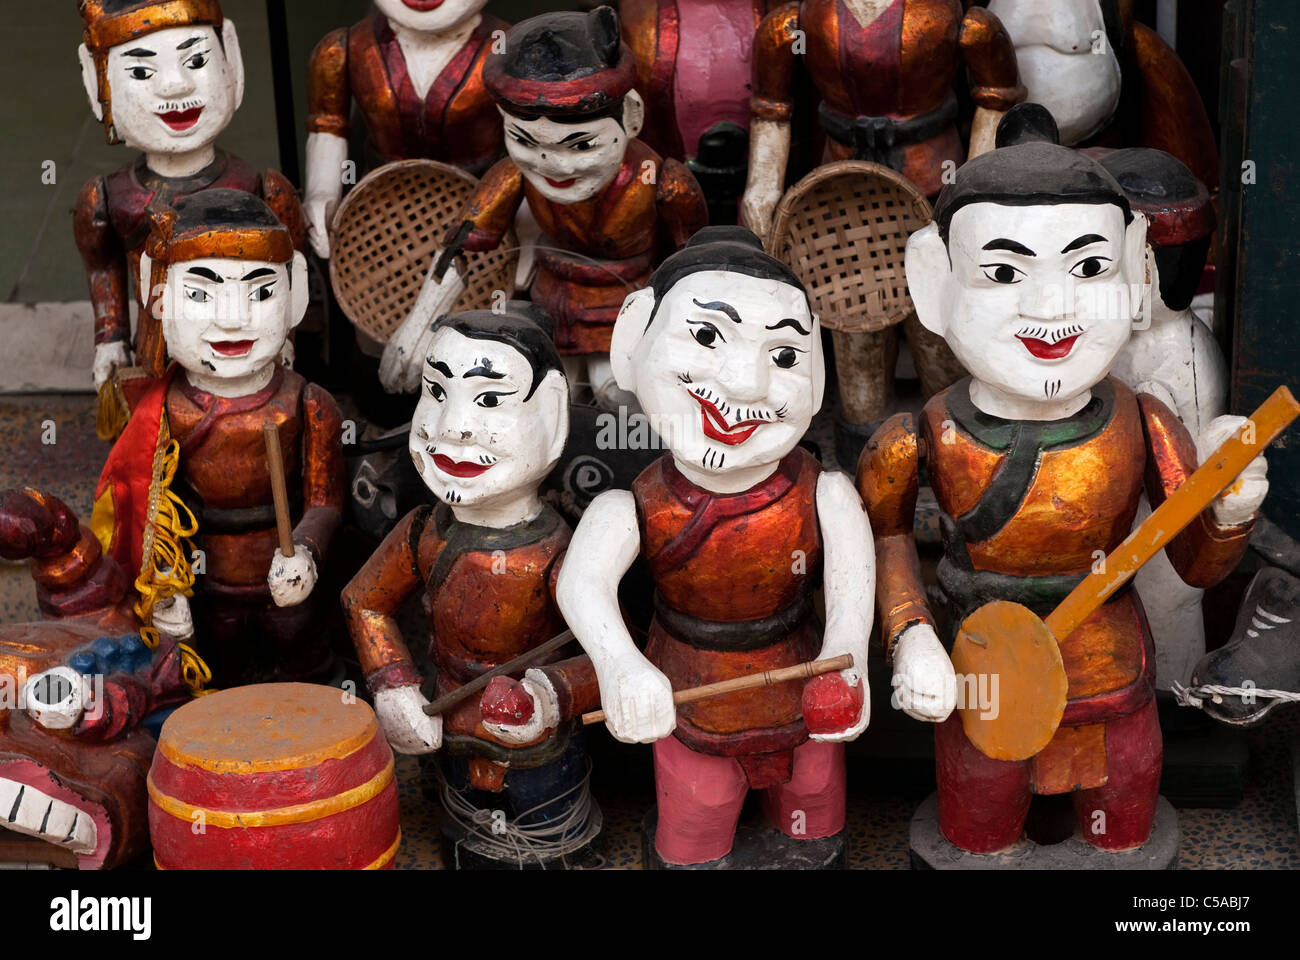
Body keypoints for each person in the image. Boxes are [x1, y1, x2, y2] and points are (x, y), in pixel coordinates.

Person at [860, 105, 1266, 853]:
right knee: (980, 827)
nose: (1051, 309)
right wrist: (911, 636)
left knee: (1124, 823)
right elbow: (885, 540)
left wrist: (1230, 510)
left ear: (1138, 269)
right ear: (933, 281)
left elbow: (1191, 560)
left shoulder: (1142, 421)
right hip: (982, 657)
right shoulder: (920, 435)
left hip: (1109, 658)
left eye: (1088, 268)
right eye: (1004, 272)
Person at [91, 190, 344, 689]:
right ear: (158, 297)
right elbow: (152, 506)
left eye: (261, 292)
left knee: (304, 665)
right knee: (225, 673)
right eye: (201, 294)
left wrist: (307, 553)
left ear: (295, 296)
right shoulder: (162, 412)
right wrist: (166, 581)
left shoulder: (306, 402)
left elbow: (327, 501)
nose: (233, 318)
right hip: (208, 580)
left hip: (285, 572)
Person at [75, 0, 305, 397]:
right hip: (154, 352)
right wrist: (110, 337)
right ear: (100, 87)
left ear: (230, 59)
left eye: (196, 61)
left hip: (242, 348)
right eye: (142, 72)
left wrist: (283, 337)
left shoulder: (261, 189)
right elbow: (102, 269)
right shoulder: (108, 196)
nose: (175, 85)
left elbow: (288, 275)